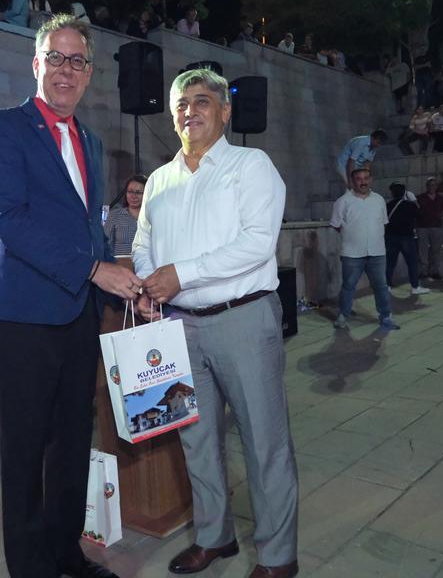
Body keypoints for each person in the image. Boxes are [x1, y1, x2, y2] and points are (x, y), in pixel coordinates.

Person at [0, 13, 140, 578]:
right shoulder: (2, 128)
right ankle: (30, 567)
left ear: (89, 72)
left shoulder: (90, 140)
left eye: (76, 61)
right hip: (25, 314)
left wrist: (124, 285)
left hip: (78, 314)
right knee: (25, 448)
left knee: (72, 441)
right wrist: (94, 270)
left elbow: (91, 228)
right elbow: (11, 221)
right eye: (55, 58)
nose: (65, 70)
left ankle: (66, 552)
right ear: (36, 64)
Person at [131, 68, 298, 578]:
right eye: (181, 104)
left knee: (263, 441)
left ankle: (277, 557)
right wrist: (149, 285)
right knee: (196, 439)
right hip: (179, 327)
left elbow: (256, 244)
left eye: (202, 101)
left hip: (242, 319)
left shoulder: (251, 165)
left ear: (225, 111)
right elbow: (142, 244)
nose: (190, 112)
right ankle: (213, 536)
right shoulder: (159, 180)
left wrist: (179, 275)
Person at [331, 168, 399, 330]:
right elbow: (336, 225)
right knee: (348, 286)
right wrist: (353, 235)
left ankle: (386, 317)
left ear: (371, 179)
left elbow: (383, 223)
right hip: (352, 253)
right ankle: (343, 316)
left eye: (366, 178)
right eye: (359, 179)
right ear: (353, 181)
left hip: (377, 252)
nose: (363, 182)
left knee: (381, 286)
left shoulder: (379, 200)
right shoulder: (343, 201)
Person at [385, 183, 429, 294]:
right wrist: (414, 202)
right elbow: (421, 217)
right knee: (412, 263)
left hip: (390, 237)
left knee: (390, 263)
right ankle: (415, 287)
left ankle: (387, 285)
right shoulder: (410, 205)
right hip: (407, 237)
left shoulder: (388, 205)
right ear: (404, 193)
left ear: (392, 193)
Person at [103, 174, 146, 256]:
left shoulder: (152, 217)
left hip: (147, 263)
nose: (133, 196)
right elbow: (105, 245)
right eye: (130, 191)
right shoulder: (115, 215)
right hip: (121, 263)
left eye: (138, 192)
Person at [416, 177, 443, 282]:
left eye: (433, 185)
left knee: (436, 251)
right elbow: (415, 210)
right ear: (426, 186)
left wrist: (437, 217)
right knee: (422, 251)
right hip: (422, 227)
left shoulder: (440, 198)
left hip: (436, 227)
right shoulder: (420, 198)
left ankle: (434, 271)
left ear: (436, 186)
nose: (431, 187)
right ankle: (423, 272)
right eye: (429, 185)